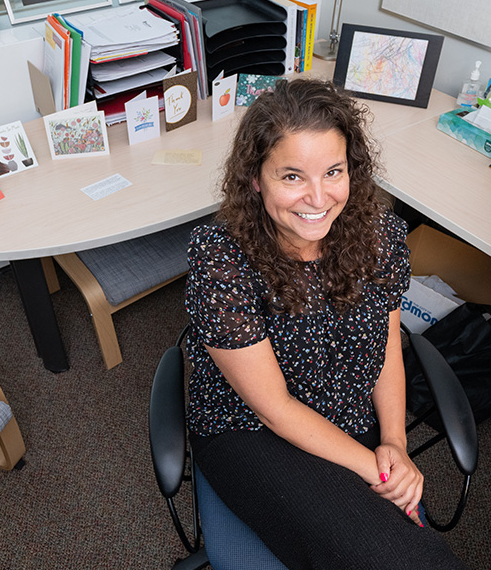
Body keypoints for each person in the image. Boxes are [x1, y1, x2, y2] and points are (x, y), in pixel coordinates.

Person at [184, 78, 468, 570]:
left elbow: (387, 349)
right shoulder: (221, 257)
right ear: (256, 179)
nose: (318, 198)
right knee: (389, 555)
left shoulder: (378, 234)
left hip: (348, 413)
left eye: (333, 171)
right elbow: (273, 408)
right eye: (291, 176)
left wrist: (395, 441)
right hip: (251, 429)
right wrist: (379, 468)